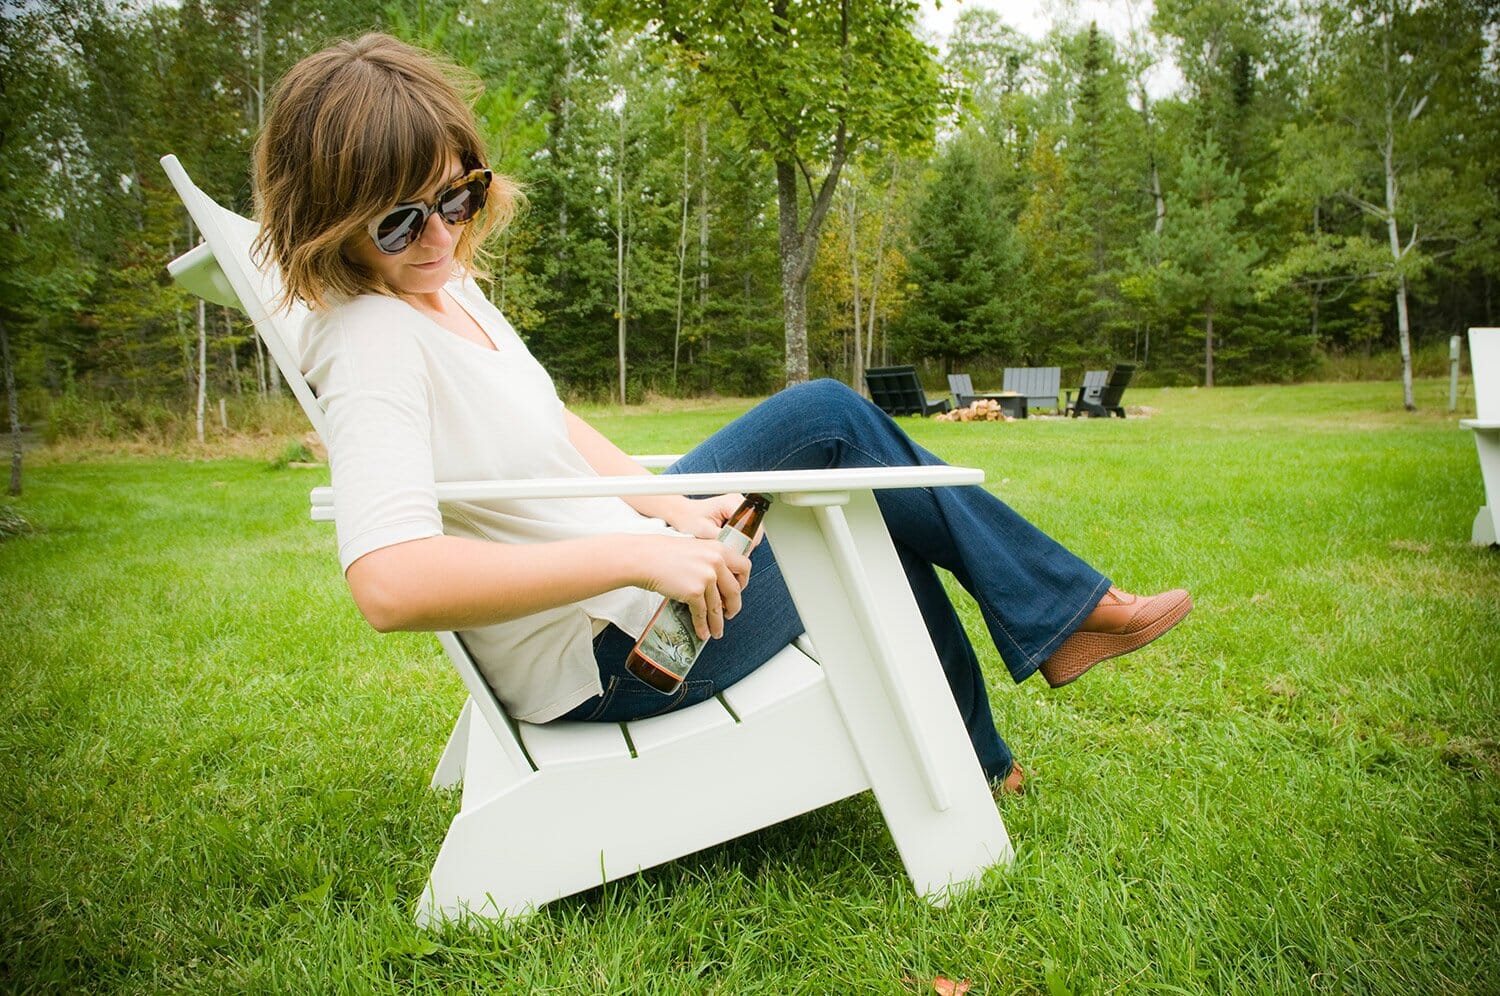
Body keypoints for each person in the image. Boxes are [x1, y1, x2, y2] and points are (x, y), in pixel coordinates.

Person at [253, 34, 1191, 798]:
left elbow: (552, 427)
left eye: (459, 195)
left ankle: (1044, 651)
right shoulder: (370, 338)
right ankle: (1018, 701)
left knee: (831, 426)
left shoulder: (442, 286)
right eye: (399, 222)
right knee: (870, 507)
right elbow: (389, 582)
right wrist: (640, 552)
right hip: (618, 648)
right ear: (330, 221)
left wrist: (666, 508)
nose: (444, 234)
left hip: (633, 570)